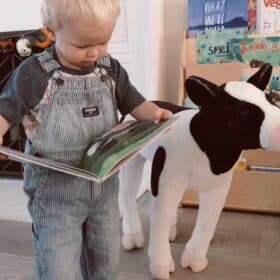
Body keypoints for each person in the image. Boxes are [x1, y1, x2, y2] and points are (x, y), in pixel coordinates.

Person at [0, 0, 172, 279]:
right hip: (55, 191)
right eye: (82, 45)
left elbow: (134, 102)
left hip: (103, 187)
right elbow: (6, 109)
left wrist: (155, 114)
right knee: (58, 262)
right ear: (51, 31)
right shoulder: (34, 74)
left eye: (103, 41)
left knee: (105, 256)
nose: (94, 52)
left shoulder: (110, 69)